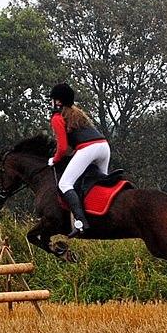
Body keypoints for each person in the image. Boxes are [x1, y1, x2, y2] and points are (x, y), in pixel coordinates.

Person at [48, 83, 110, 237]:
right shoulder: (77, 113)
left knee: (64, 184)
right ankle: (102, 218)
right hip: (104, 147)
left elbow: (62, 148)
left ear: (58, 102)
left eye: (53, 99)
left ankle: (80, 222)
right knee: (101, 183)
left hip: (88, 149)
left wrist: (54, 160)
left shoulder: (57, 117)